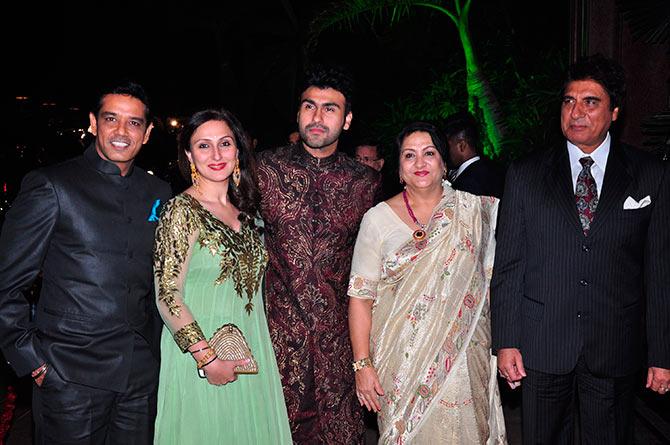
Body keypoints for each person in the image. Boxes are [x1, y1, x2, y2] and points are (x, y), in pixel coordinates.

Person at [491, 54, 670, 444]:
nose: (576, 112)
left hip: (614, 342)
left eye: (591, 102)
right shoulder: (525, 174)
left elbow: (659, 272)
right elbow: (508, 266)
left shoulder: (650, 175)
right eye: (569, 101)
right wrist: (506, 341)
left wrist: (662, 354)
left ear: (615, 111)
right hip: (542, 343)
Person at [0, 81, 172, 444]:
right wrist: (32, 360)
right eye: (112, 119)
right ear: (94, 123)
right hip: (70, 377)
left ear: (148, 132)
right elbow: (7, 283)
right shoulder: (52, 185)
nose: (122, 132)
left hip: (140, 378)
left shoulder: (159, 192)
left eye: (134, 123)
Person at [348, 121, 507, 444]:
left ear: (444, 163)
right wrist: (362, 365)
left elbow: (492, 285)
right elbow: (360, 298)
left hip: (463, 357)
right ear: (399, 169)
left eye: (429, 153)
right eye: (409, 156)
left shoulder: (475, 212)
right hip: (399, 363)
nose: (420, 163)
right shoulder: (377, 219)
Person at [256, 64, 381, 444]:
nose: (317, 116)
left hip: (339, 348)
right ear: (298, 112)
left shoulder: (366, 184)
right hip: (275, 341)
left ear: (346, 120)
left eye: (330, 108)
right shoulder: (263, 170)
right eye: (310, 106)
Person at [152, 109, 291, 444]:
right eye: (204, 146)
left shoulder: (250, 215)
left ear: (238, 151)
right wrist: (207, 358)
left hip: (252, 348)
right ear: (189, 155)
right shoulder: (180, 211)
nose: (216, 155)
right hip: (201, 356)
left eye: (225, 144)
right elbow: (167, 294)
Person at [444, 111, 505, 198]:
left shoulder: (466, 185)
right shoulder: (495, 169)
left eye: (448, 146)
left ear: (462, 145)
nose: (445, 151)